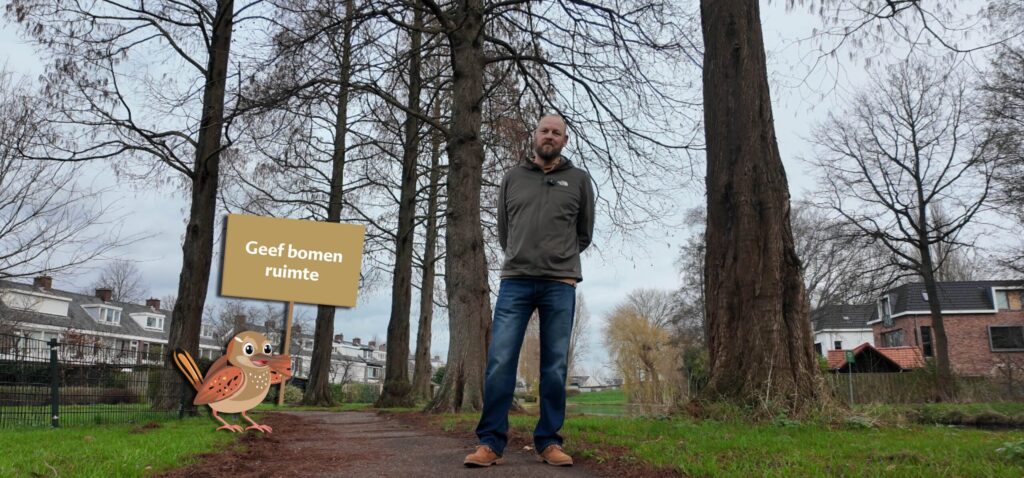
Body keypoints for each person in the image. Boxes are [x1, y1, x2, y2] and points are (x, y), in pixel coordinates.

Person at [463, 114, 595, 468]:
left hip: (560, 283)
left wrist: (558, 259)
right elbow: (505, 232)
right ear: (533, 136)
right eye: (544, 130)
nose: (549, 136)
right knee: (500, 362)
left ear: (565, 140)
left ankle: (549, 442)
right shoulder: (512, 178)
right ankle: (490, 443)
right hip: (516, 281)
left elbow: (584, 233)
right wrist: (522, 255)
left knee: (554, 367)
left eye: (557, 132)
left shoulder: (580, 180)